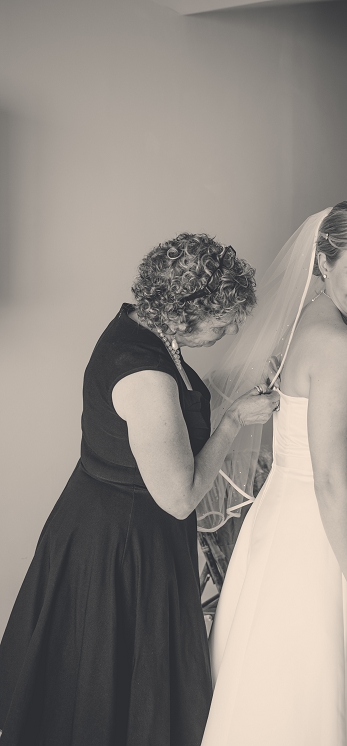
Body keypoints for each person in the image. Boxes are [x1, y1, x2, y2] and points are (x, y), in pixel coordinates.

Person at [0, 234, 279, 746]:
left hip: (115, 524)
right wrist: (235, 420)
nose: (228, 331)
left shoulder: (143, 328)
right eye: (221, 321)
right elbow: (180, 496)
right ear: (183, 313)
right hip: (121, 545)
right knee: (107, 693)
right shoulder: (145, 375)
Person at [201, 200, 347, 746]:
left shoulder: (304, 323)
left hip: (288, 513)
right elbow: (329, 479)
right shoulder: (339, 346)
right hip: (328, 525)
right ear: (323, 264)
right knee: (343, 682)